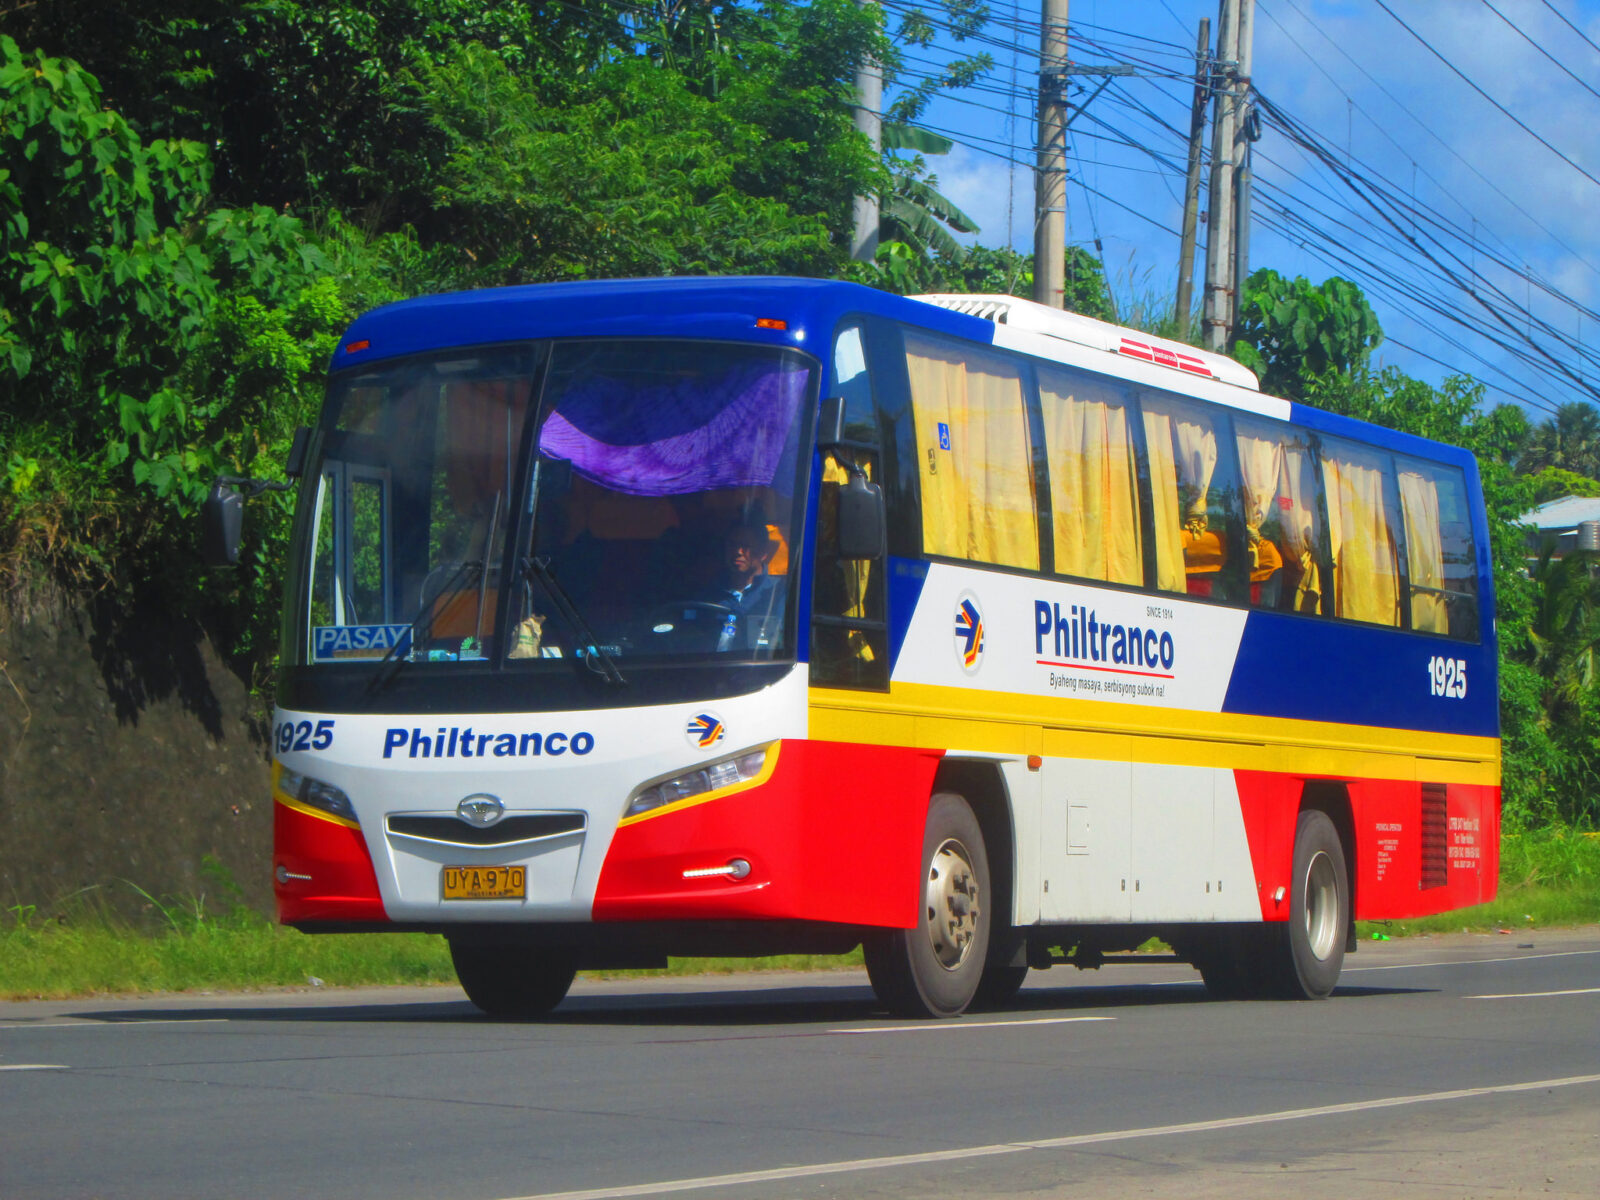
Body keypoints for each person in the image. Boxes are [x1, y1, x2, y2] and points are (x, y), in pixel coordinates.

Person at [713, 517, 785, 652]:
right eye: (732, 545)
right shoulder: (710, 593)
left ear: (763, 553)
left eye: (746, 546)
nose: (738, 552)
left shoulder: (778, 594)